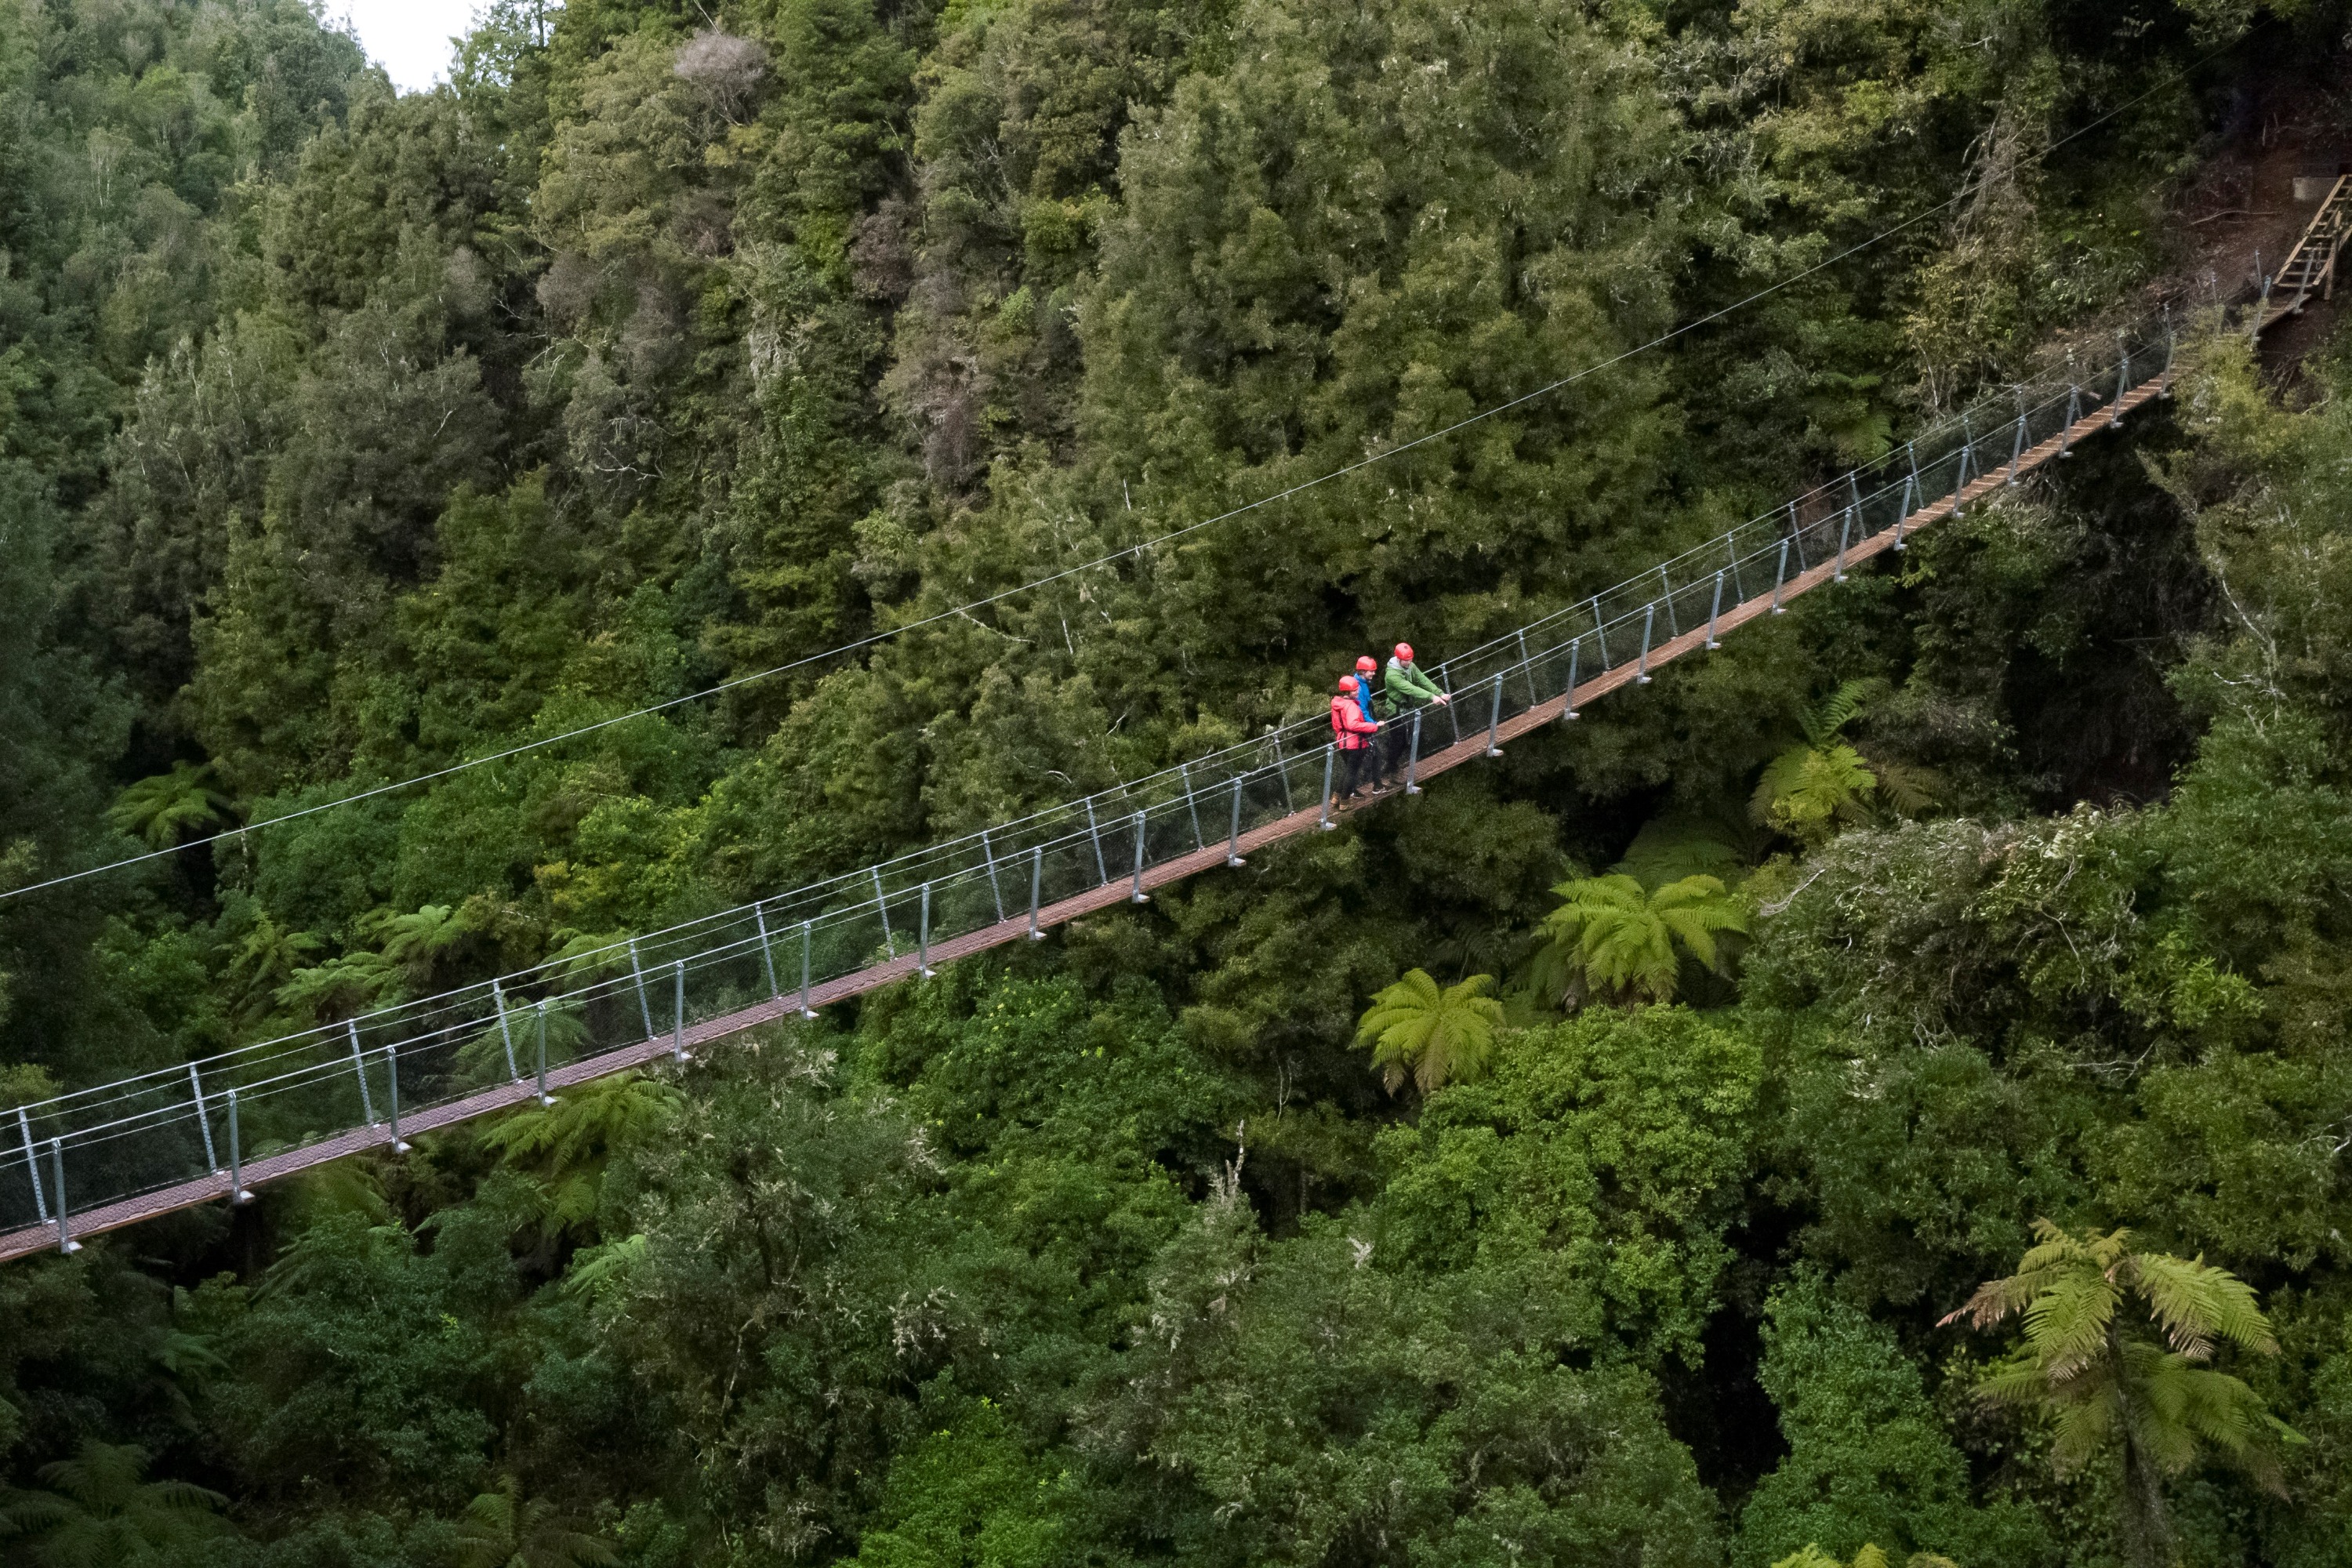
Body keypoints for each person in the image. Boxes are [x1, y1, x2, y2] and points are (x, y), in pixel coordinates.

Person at [1374, 642, 1449, 782]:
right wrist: (1431, 697)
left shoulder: (1410, 667)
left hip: (1407, 708)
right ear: (1398, 659)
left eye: (1411, 659)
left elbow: (1422, 680)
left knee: (1406, 741)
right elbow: (1409, 688)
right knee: (1398, 740)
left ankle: (1391, 766)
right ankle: (1391, 770)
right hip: (1395, 710)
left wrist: (1439, 692)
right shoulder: (1392, 674)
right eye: (1406, 660)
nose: (1409, 662)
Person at [1330, 674, 1380, 803]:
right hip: (1353, 743)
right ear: (1348, 692)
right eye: (1354, 690)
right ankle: (1345, 802)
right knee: (1352, 772)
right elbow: (1353, 724)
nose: (1358, 691)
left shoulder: (1339, 704)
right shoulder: (1351, 706)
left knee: (1348, 769)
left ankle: (1336, 797)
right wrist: (1373, 726)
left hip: (1342, 741)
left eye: (1357, 689)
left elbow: (1337, 726)